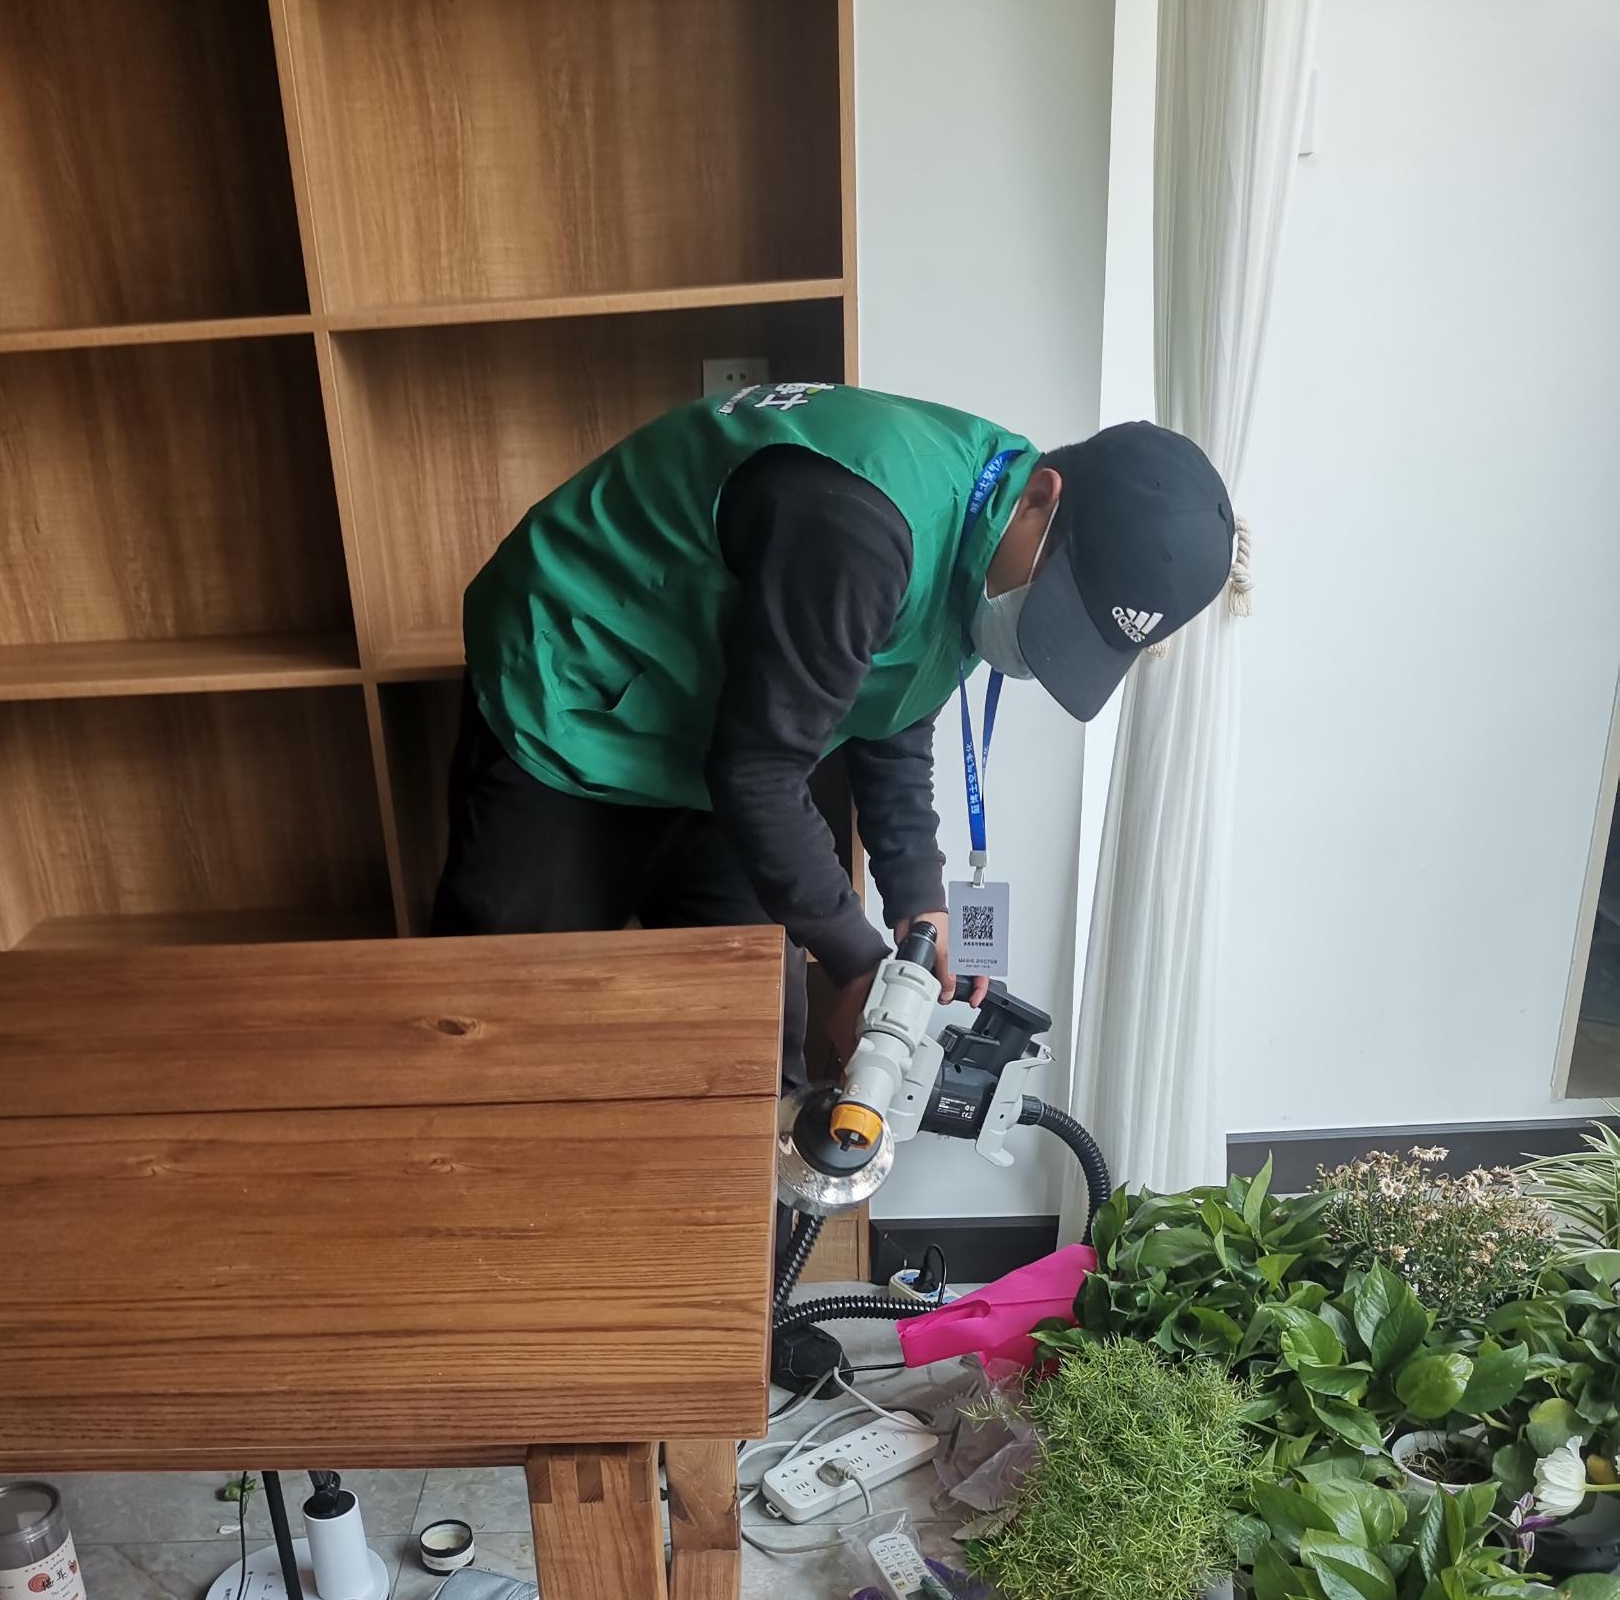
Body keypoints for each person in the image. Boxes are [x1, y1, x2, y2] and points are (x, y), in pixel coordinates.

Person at [437, 381, 1234, 1082]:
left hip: (718, 727)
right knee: (504, 1025)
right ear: (1040, 499)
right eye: (1057, 610)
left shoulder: (989, 526)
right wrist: (855, 964)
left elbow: (892, 708)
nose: (1036, 648)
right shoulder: (864, 525)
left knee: (752, 1044)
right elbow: (756, 773)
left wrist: (919, 898)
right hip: (575, 689)